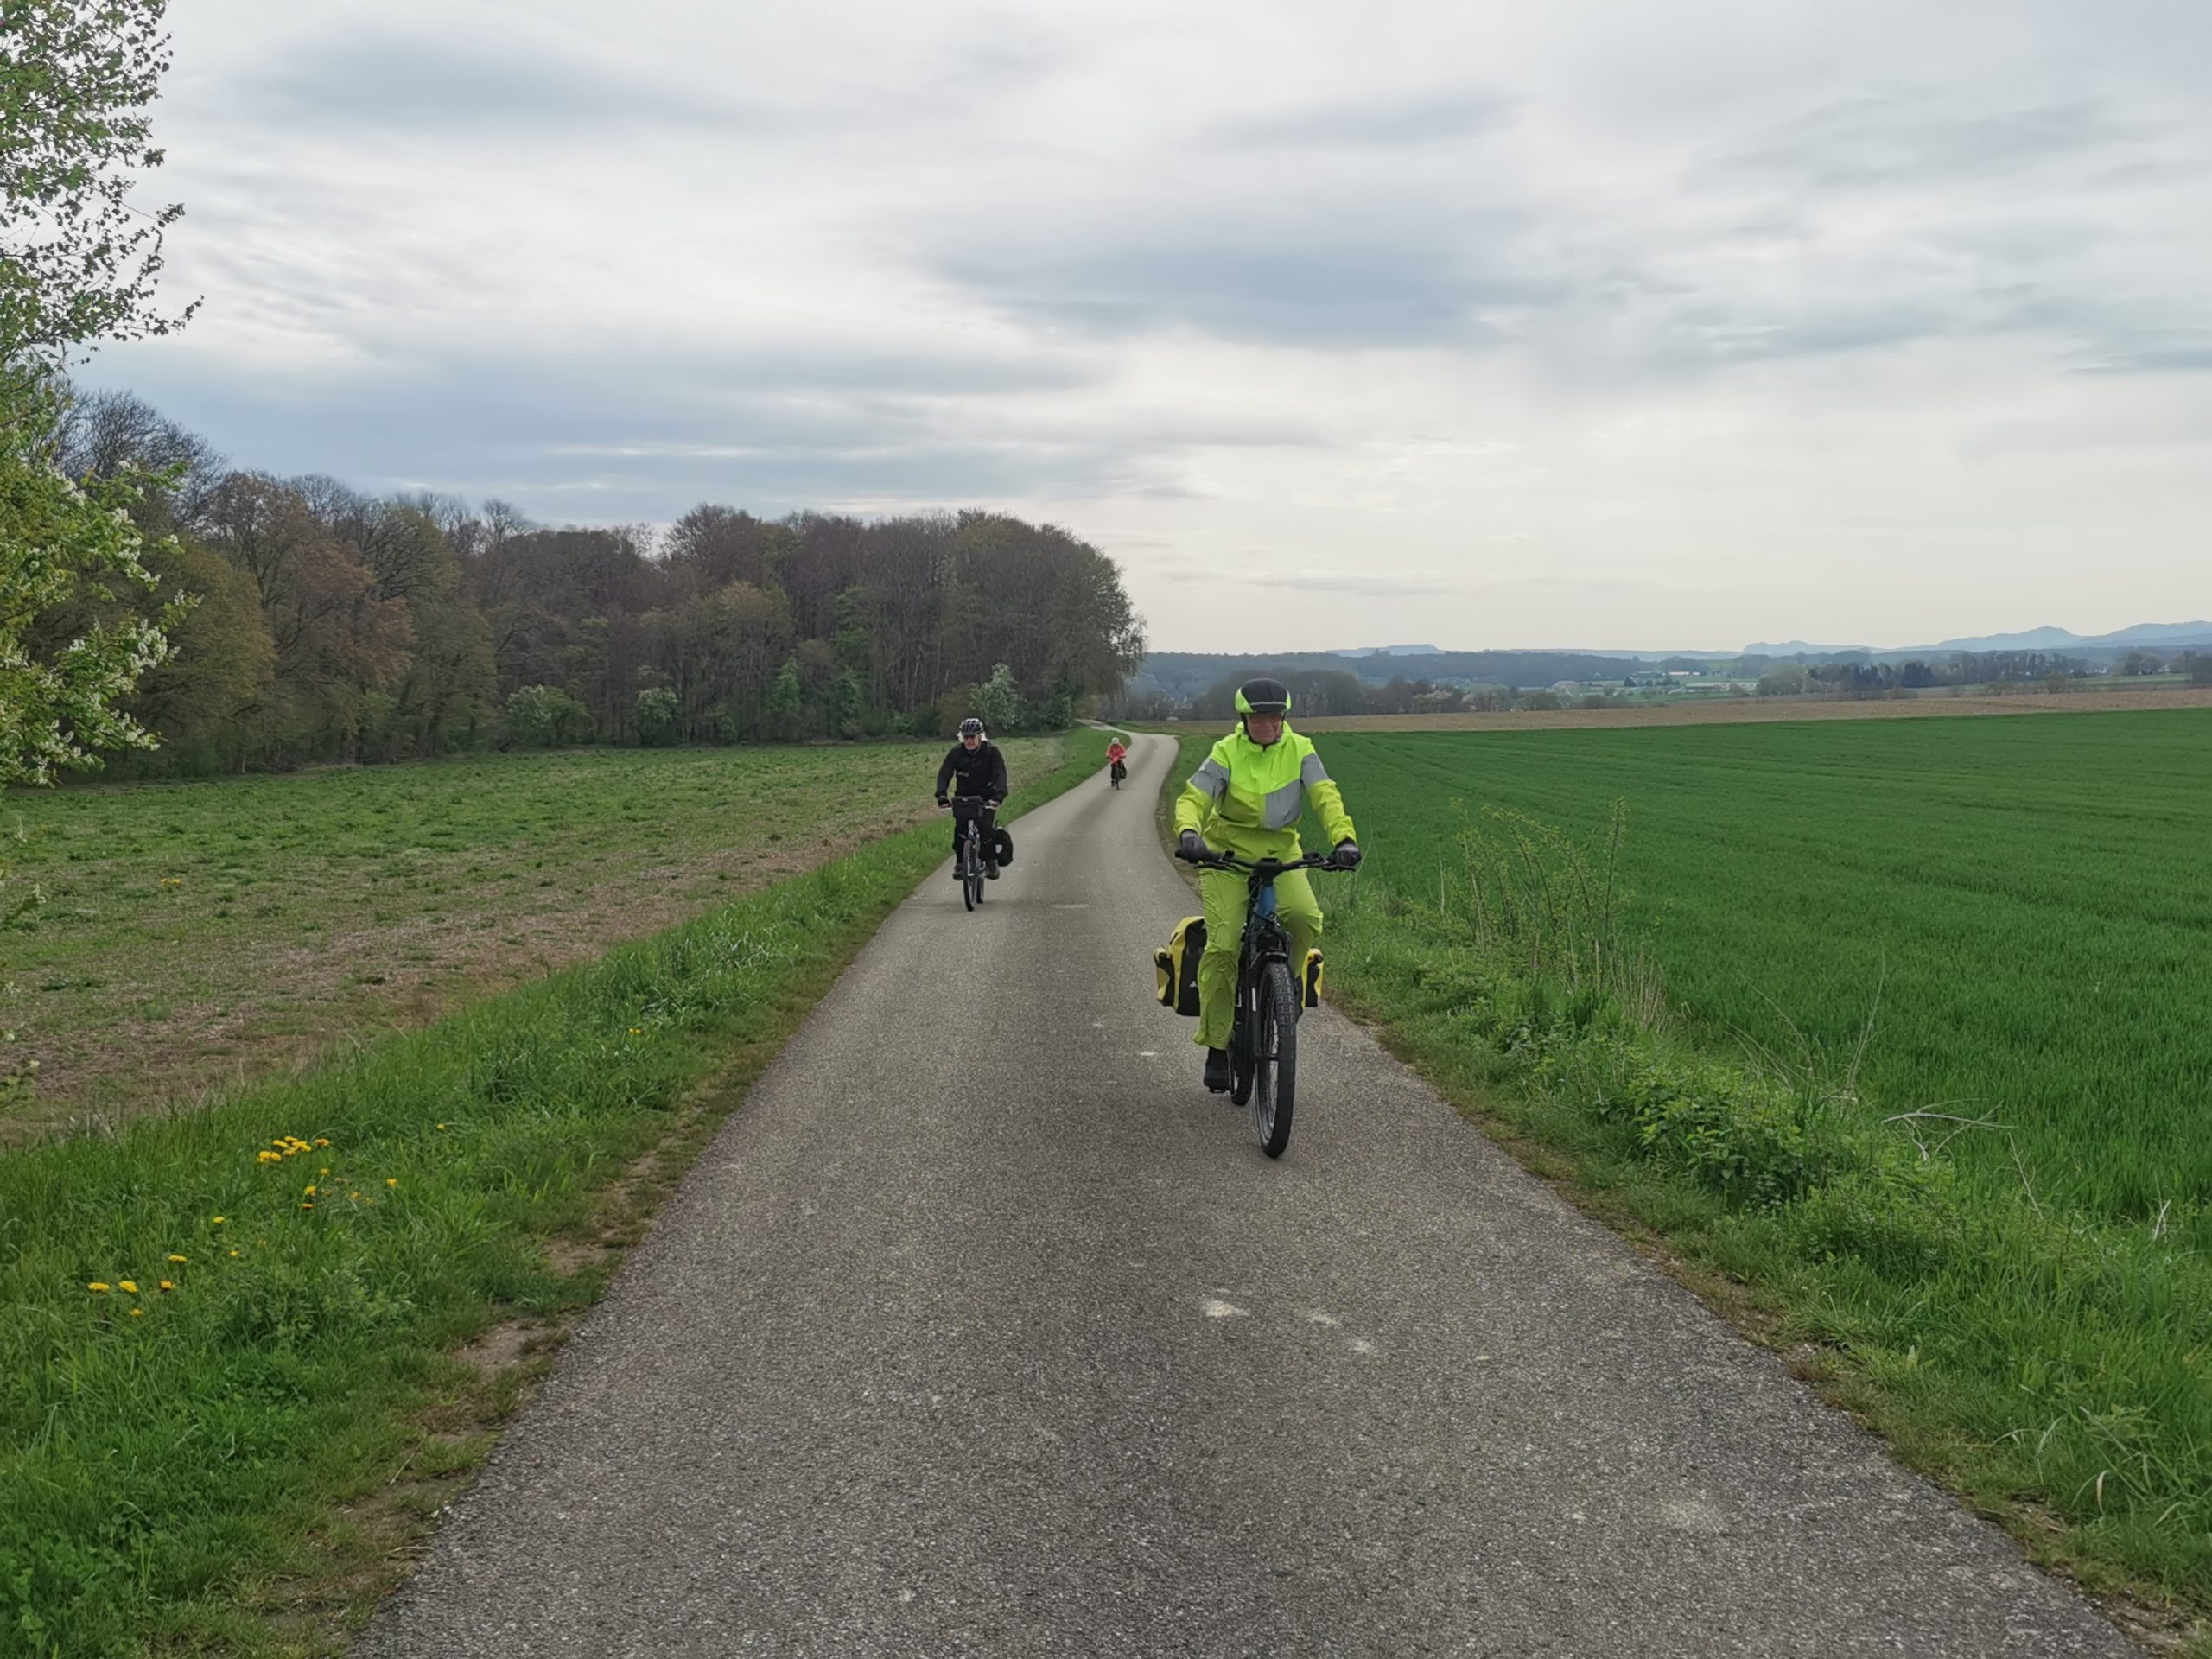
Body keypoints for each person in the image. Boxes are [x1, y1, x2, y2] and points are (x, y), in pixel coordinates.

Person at [1173, 678, 1360, 1091]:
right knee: (1223, 947)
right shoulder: (1226, 751)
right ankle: (1217, 1044)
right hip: (1227, 857)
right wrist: (1189, 832)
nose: (1268, 726)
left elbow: (1326, 796)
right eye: (1259, 719)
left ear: (1284, 718)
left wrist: (1344, 839)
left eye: (1275, 718)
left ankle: (1285, 992)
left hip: (1281, 853)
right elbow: (1194, 797)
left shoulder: (1301, 750)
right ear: (1244, 720)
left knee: (1304, 917)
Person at [935, 716, 1008, 879]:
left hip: (986, 797)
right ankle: (960, 863)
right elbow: (944, 774)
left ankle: (991, 862)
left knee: (986, 828)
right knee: (960, 830)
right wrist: (941, 795)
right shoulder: (956, 753)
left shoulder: (992, 752)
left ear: (980, 737)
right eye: (965, 737)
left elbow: (1000, 773)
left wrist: (998, 795)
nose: (969, 741)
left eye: (972, 737)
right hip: (964, 798)